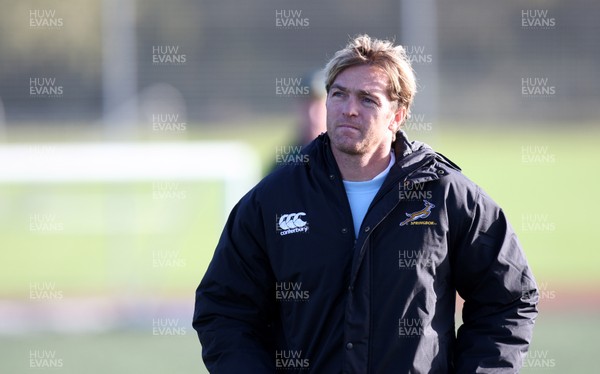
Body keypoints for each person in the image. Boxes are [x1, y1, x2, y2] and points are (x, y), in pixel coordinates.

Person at [193, 34, 538, 373]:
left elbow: (509, 298)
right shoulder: (273, 198)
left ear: (398, 115)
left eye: (368, 100)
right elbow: (224, 310)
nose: (349, 110)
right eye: (338, 95)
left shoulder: (446, 195)